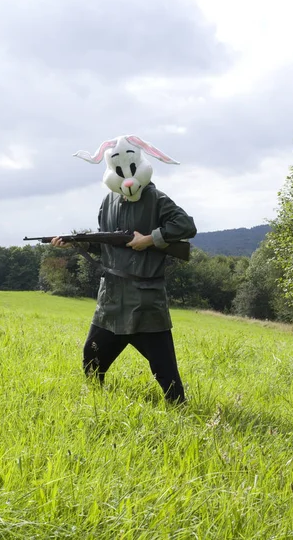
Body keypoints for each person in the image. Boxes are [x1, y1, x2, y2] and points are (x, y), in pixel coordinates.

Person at [52, 135, 196, 403]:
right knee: (92, 358)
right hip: (112, 300)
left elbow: (187, 226)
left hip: (145, 299)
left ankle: (179, 410)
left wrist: (150, 239)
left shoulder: (157, 199)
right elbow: (104, 246)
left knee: (165, 369)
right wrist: (71, 244)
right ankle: (96, 403)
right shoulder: (107, 203)